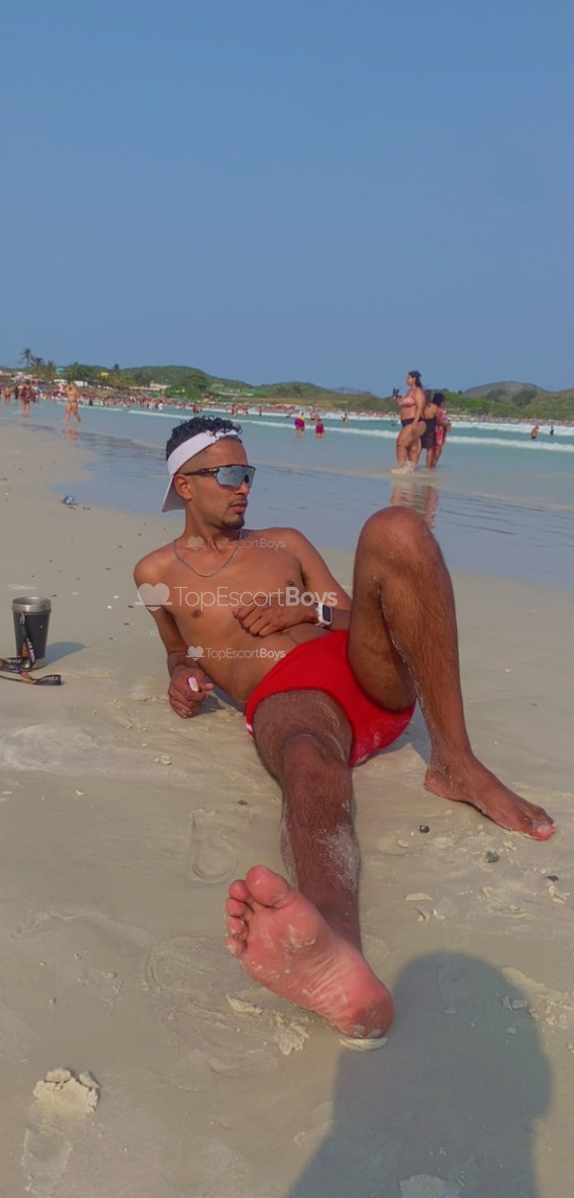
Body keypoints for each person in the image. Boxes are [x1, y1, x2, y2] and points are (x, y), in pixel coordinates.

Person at [134, 417, 554, 1041]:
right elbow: (177, 650)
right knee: (308, 763)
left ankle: (455, 762)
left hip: (363, 671)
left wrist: (306, 607)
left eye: (248, 472)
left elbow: (360, 612)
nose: (244, 485)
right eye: (228, 474)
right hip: (290, 697)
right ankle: (335, 948)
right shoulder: (153, 573)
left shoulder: (285, 543)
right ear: (185, 485)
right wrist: (181, 676)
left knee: (398, 526)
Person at [392, 370, 426, 473]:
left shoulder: (418, 392)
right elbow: (403, 406)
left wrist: (415, 422)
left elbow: (420, 407)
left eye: (408, 378)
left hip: (414, 421)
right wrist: (398, 401)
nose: (406, 380)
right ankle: (411, 470)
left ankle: (400, 467)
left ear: (414, 379)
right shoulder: (408, 392)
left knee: (400, 443)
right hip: (406, 422)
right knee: (412, 447)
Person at [431, 393, 451, 467]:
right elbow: (437, 421)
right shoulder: (438, 409)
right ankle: (432, 465)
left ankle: (431, 465)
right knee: (438, 449)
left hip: (438, 430)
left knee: (435, 449)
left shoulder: (435, 408)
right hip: (438, 431)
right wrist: (446, 424)